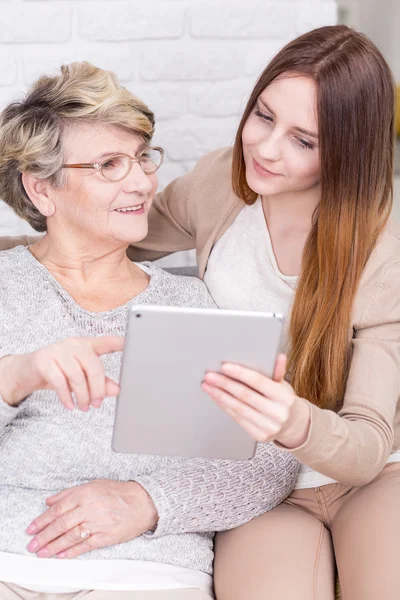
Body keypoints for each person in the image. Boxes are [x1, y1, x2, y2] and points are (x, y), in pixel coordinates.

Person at [0, 62, 299, 600]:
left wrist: (148, 499)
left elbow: (272, 462)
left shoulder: (192, 302)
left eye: (141, 157)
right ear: (42, 189)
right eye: (110, 164)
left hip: (148, 576)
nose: (142, 181)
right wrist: (13, 379)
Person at [126, 25, 400, 600]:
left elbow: (367, 445)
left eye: (305, 140)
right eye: (263, 115)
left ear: (348, 153)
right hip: (251, 480)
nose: (267, 148)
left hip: (376, 477)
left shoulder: (386, 245)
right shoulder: (218, 187)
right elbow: (111, 236)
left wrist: (290, 421)